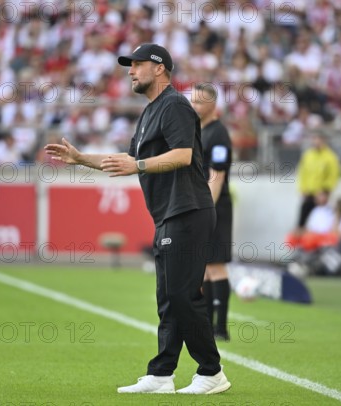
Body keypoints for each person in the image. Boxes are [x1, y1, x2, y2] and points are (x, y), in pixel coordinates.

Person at [45, 43, 230, 395]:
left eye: (137, 65)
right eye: (129, 65)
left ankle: (211, 372)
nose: (130, 70)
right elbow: (126, 158)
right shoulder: (149, 112)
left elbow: (183, 154)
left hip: (188, 210)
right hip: (168, 213)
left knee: (181, 294)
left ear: (159, 68)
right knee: (167, 297)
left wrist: (139, 165)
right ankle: (161, 374)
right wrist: (81, 158)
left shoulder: (174, 104)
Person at [190, 84, 233, 341]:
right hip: (203, 204)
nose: (193, 106)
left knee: (216, 266)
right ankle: (206, 323)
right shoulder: (200, 131)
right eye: (192, 100)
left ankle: (221, 328)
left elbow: (216, 177)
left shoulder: (218, 134)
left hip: (215, 206)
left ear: (213, 105)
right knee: (204, 267)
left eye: (198, 102)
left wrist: (208, 209)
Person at [296, 131, 341, 230]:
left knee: (323, 219)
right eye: (315, 139)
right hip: (309, 193)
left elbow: (333, 175)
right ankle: (300, 237)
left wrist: (325, 191)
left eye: (319, 139)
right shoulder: (308, 155)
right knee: (303, 217)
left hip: (322, 194)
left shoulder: (330, 157)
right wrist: (303, 189)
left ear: (324, 141)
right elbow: (302, 173)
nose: (316, 142)